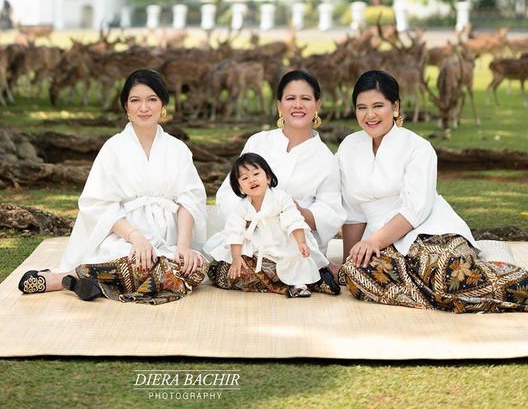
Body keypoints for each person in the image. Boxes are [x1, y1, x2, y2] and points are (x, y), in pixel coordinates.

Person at [335, 69, 528, 312]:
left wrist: (373, 241)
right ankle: (446, 298)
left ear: (395, 107)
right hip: (383, 244)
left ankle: (498, 273)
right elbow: (353, 213)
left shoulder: (418, 147)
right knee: (356, 275)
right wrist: (347, 260)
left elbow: (416, 209)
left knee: (450, 275)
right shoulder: (348, 147)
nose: (369, 115)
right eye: (361, 107)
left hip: (429, 230)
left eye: (378, 106)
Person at [18, 68, 208, 304]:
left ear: (163, 104)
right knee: (133, 260)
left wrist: (183, 246)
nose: (144, 108)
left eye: (152, 100)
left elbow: (190, 200)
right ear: (126, 107)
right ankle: (68, 278)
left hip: (169, 238)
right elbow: (98, 203)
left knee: (195, 269)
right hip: (124, 236)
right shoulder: (113, 148)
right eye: (135, 101)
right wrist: (136, 238)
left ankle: (86, 279)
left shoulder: (178, 149)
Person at [214, 69, 345, 291]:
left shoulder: (326, 158)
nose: (298, 105)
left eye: (305, 99)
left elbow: (331, 211)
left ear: (317, 106)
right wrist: (249, 213)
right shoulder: (258, 142)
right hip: (252, 239)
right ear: (279, 105)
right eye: (290, 98)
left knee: (290, 261)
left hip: (295, 242)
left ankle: (299, 274)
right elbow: (228, 192)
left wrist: (297, 211)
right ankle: (305, 279)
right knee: (229, 271)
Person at [205, 153, 333, 296]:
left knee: (295, 257)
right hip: (260, 242)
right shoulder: (242, 207)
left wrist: (301, 242)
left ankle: (300, 284)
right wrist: (236, 258)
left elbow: (293, 218)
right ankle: (280, 282)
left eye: (256, 174)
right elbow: (234, 232)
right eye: (245, 178)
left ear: (268, 177)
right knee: (228, 267)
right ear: (240, 187)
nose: (252, 180)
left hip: (286, 238)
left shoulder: (281, 198)